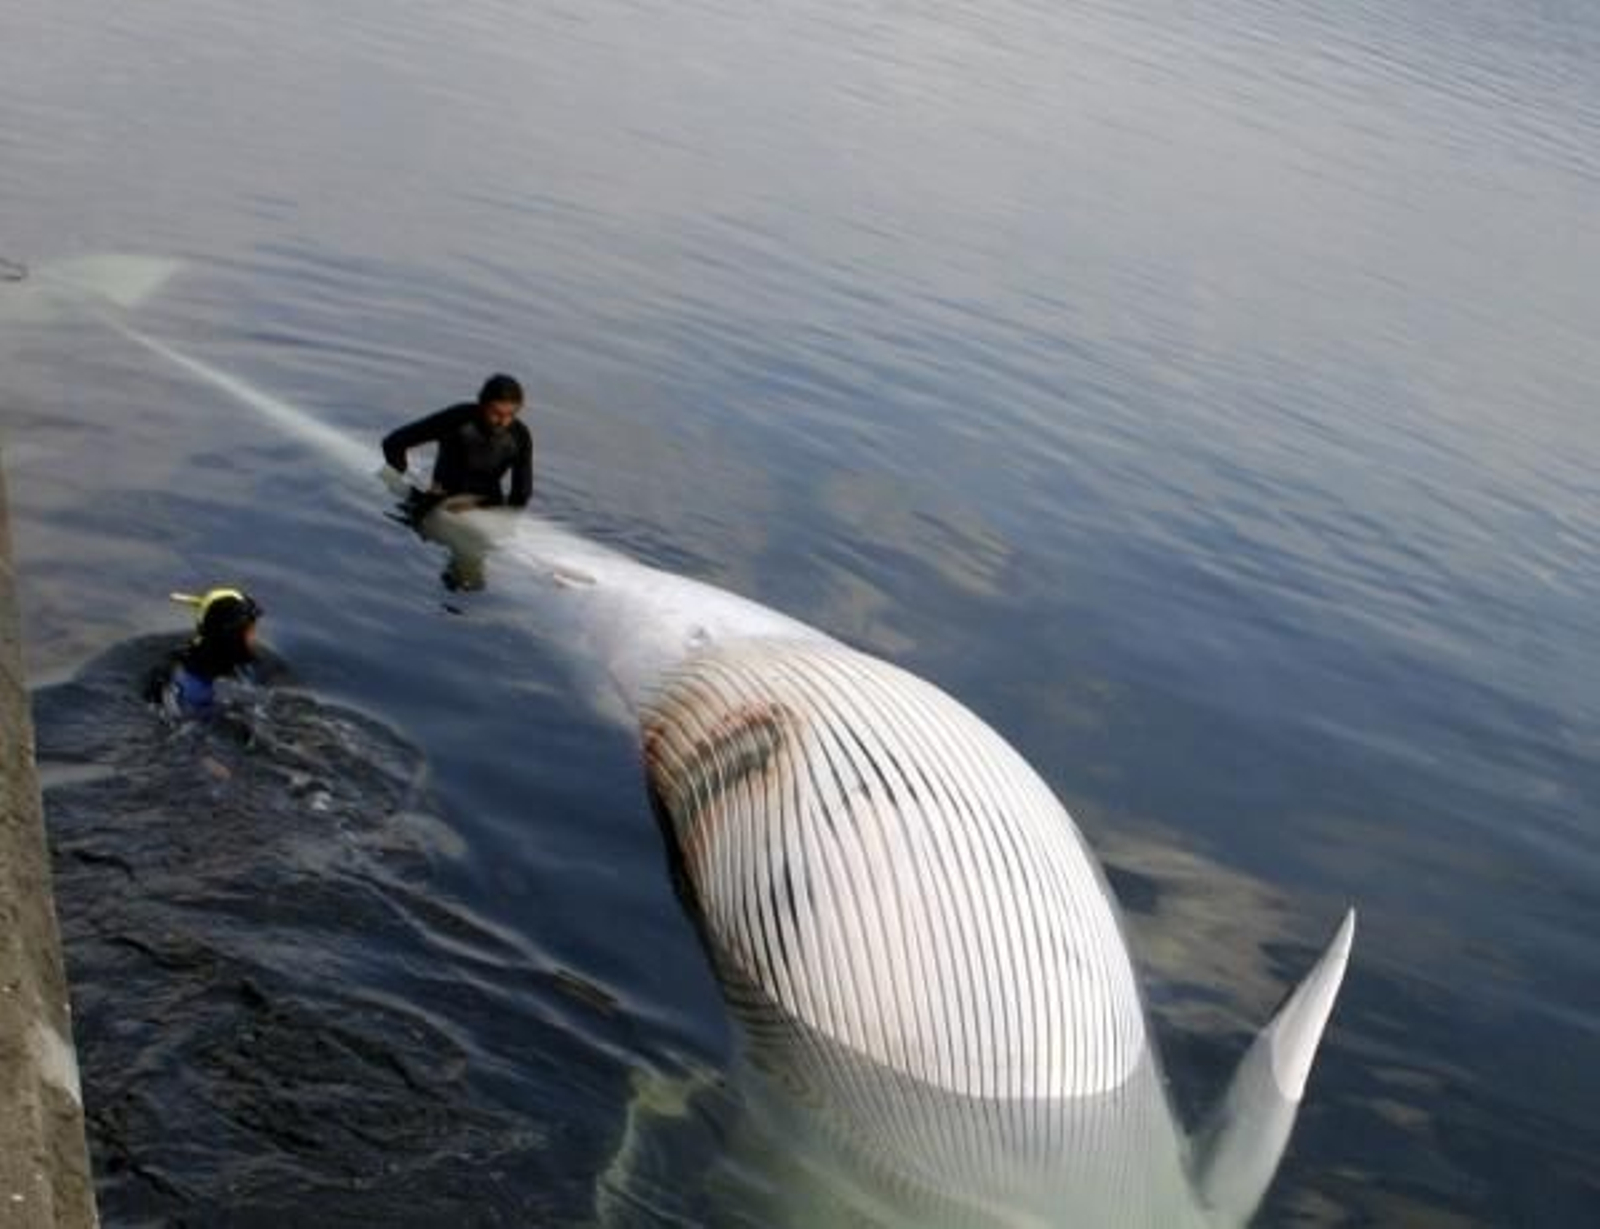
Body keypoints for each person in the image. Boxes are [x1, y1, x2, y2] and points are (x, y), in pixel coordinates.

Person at [381, 374, 533, 592]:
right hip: (440, 501)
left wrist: (495, 513)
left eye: (511, 415)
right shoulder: (457, 420)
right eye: (496, 413)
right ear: (482, 404)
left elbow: (522, 493)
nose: (503, 422)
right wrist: (403, 478)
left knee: (468, 583)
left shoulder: (520, 435)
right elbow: (394, 442)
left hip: (485, 507)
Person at [144, 587, 264, 718]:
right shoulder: (194, 692)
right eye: (250, 631)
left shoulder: (182, 661)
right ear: (231, 637)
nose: (254, 638)